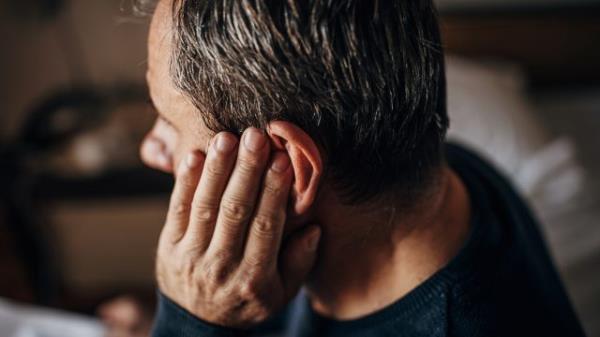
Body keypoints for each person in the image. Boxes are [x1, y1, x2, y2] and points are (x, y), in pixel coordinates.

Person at [136, 0, 585, 336]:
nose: (150, 149)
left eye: (171, 123)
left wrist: (187, 323)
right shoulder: (449, 173)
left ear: (286, 166)